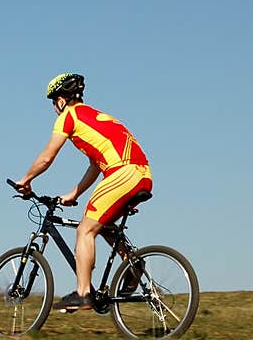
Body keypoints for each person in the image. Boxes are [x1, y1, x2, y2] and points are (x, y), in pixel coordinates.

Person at [14, 72, 153, 312]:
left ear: (61, 99)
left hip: (122, 172)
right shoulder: (94, 116)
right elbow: (94, 166)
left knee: (84, 230)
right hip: (141, 174)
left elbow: (47, 157)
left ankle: (83, 293)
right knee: (102, 224)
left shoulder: (68, 116)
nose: (54, 108)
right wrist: (74, 194)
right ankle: (132, 264)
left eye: (53, 102)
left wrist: (26, 179)